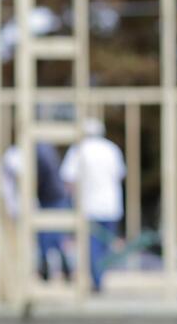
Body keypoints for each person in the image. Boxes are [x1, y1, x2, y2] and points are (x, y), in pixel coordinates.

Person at [60, 117, 127, 292]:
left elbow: (68, 179)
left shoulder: (79, 150)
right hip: (112, 206)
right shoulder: (112, 149)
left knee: (93, 247)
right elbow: (120, 175)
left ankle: (97, 281)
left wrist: (71, 202)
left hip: (89, 207)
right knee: (104, 247)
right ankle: (99, 279)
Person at [34, 142, 72, 282]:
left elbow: (40, 176)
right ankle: (62, 269)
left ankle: (48, 269)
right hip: (53, 196)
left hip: (51, 198)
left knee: (49, 236)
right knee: (54, 237)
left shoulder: (39, 151)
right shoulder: (45, 149)